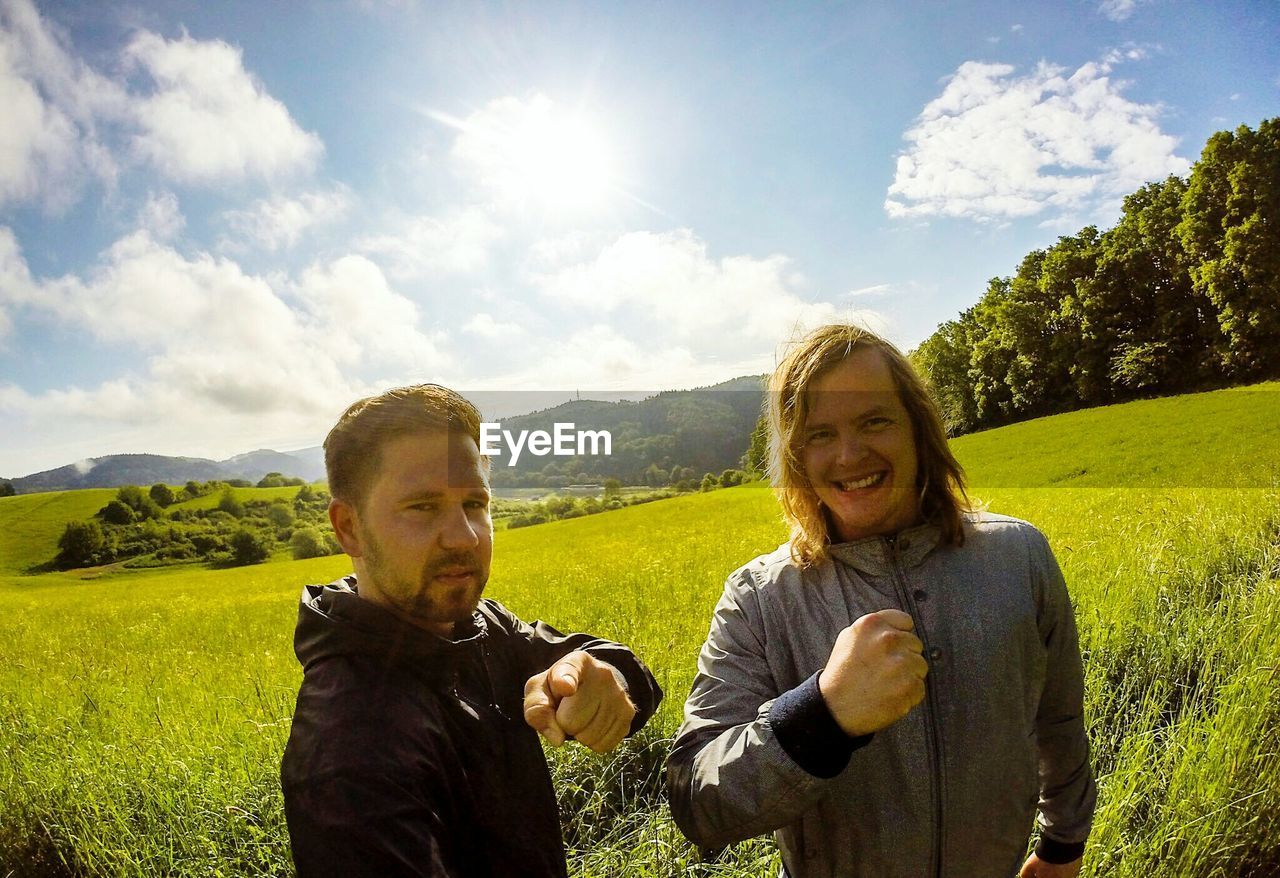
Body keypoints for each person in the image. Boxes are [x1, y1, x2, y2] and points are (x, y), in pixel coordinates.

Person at [667, 324, 1096, 878]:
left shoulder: (1019, 555)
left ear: (919, 429)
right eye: (819, 434)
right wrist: (823, 714)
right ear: (796, 458)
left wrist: (1063, 842)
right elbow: (697, 802)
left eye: (874, 421)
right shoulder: (759, 599)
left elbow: (1057, 716)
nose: (849, 455)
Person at [280, 384, 662, 877]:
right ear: (349, 527)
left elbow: (615, 667)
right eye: (423, 506)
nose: (464, 536)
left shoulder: (478, 627)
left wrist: (606, 677)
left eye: (475, 504)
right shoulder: (349, 753)